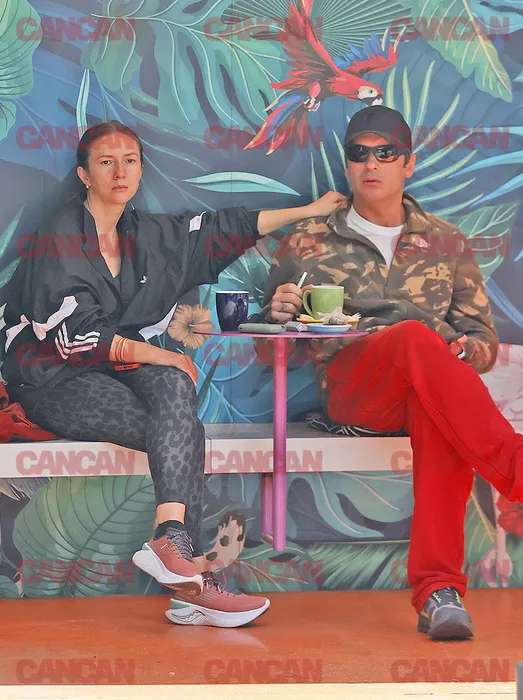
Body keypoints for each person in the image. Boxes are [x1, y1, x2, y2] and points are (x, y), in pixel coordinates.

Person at [0, 120, 346, 627]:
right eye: (106, 162)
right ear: (85, 175)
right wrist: (164, 355)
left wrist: (309, 211)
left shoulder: (147, 234)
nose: (120, 172)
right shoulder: (60, 234)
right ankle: (197, 587)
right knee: (181, 430)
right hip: (53, 378)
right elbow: (75, 337)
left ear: (141, 170)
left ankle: (171, 540)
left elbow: (226, 228)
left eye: (130, 161)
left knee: (174, 394)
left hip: (120, 369)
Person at [258, 105, 523, 640]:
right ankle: (516, 468)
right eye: (359, 153)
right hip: (355, 393)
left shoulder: (447, 241)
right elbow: (269, 351)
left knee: (440, 415)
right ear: (347, 163)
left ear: (408, 163)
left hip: (430, 388)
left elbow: (484, 342)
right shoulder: (308, 240)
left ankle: (439, 594)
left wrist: (462, 352)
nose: (371, 163)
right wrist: (277, 316)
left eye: (386, 153)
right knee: (411, 337)